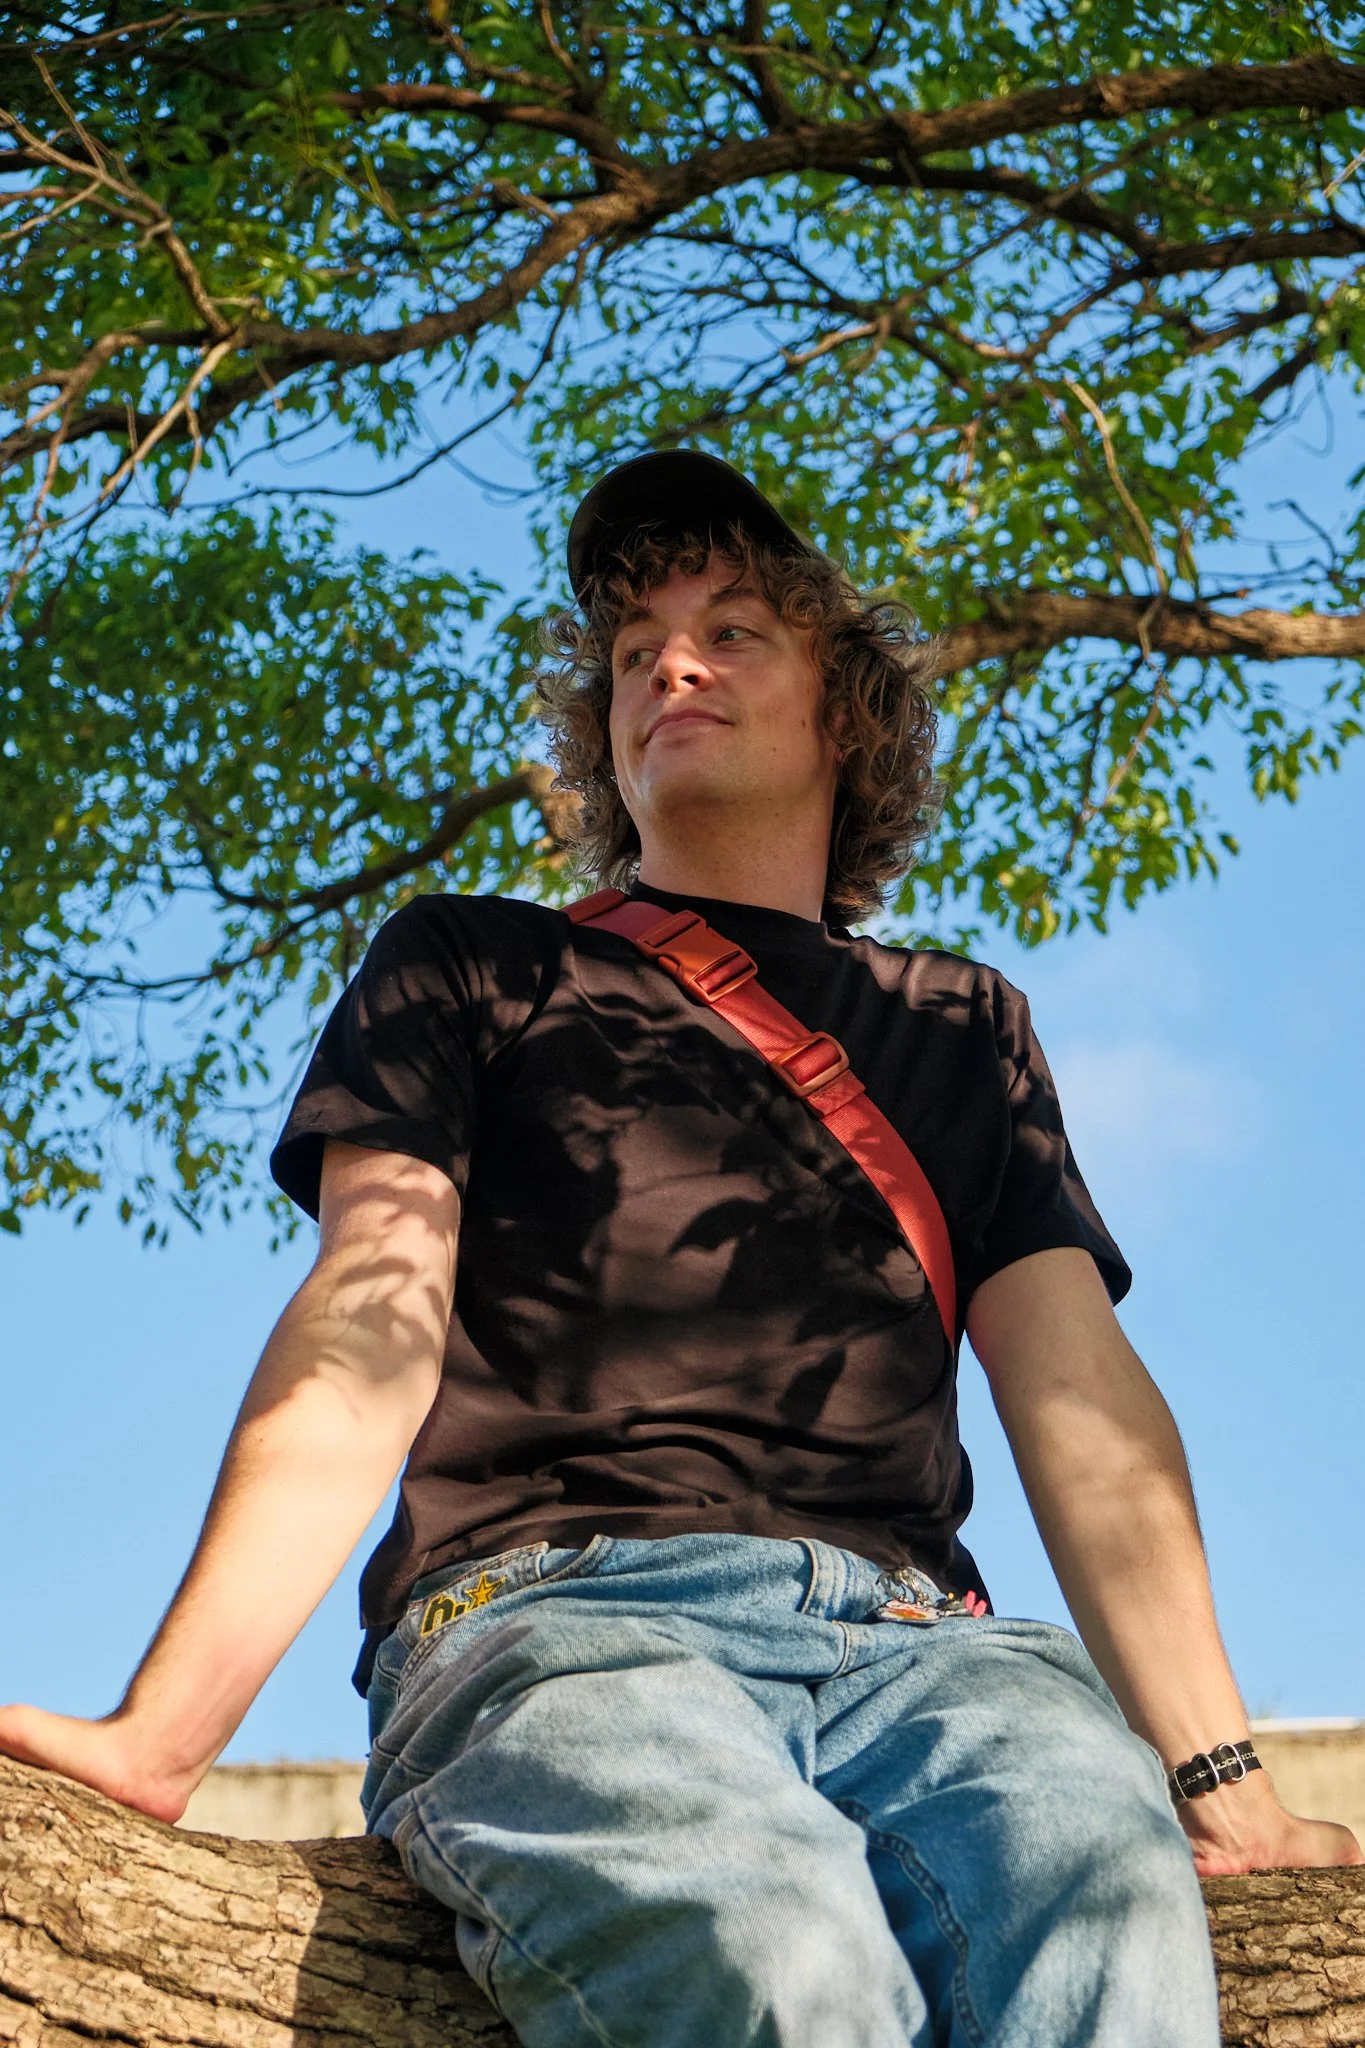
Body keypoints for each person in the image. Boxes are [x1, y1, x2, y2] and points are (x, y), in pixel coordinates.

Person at [1, 451, 1359, 2047]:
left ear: (844, 714)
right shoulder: (470, 963)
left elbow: (1085, 1409)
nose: (671, 664)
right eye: (637, 646)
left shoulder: (966, 1028)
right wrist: (170, 1729)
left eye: (732, 630)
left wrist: (1228, 1788)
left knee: (1108, 1917)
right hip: (562, 1624)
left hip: (930, 1651)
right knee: (777, 1952)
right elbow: (367, 1327)